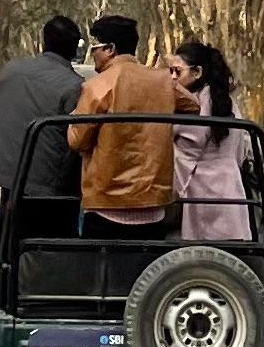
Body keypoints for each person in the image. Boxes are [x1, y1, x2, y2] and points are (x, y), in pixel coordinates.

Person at [67, 14, 193, 234]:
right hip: (154, 203)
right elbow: (192, 106)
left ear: (110, 49)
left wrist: (73, 117)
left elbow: (77, 141)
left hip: (106, 204)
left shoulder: (97, 87)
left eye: (95, 46)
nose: (92, 53)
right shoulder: (162, 81)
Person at [0, 15, 85, 221]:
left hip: (7, 173)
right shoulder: (74, 86)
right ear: (74, 49)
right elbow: (79, 138)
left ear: (44, 42)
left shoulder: (12, 70)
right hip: (47, 182)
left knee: (9, 221)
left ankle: (4, 252)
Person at [172, 36, 254, 244]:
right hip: (230, 186)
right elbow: (242, 148)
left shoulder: (194, 104)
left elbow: (186, 149)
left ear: (197, 72)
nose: (172, 78)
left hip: (202, 190)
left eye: (177, 72)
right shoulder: (226, 101)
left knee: (202, 257)